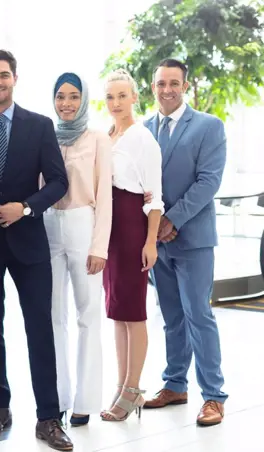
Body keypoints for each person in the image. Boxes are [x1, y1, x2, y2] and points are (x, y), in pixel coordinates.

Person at [0, 49, 72, 451]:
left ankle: (49, 417)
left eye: (3, 75)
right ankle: (0, 407)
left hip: (30, 243)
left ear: (15, 78)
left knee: (39, 328)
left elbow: (59, 182)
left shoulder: (39, 126)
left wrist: (24, 208)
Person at [142, 58, 228, 426]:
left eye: (174, 83)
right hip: (157, 243)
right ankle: (175, 384)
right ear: (153, 87)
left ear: (185, 86)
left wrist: (171, 219)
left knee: (198, 315)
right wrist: (154, 228)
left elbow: (208, 182)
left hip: (193, 239)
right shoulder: (144, 129)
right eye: (161, 83)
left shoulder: (209, 126)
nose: (167, 89)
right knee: (171, 317)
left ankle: (214, 396)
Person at [46, 72, 112, 427]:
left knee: (87, 317)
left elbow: (105, 197)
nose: (67, 103)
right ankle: (57, 397)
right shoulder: (46, 135)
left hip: (83, 227)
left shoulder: (98, 139)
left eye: (73, 96)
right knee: (54, 317)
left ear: (83, 99)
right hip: (48, 228)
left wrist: (99, 246)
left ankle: (85, 402)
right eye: (60, 96)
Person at [100, 69, 163, 422]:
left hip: (130, 224)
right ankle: (121, 385)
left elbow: (155, 197)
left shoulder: (143, 139)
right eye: (110, 96)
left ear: (135, 97)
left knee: (133, 312)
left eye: (122, 96)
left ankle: (133, 388)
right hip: (109, 226)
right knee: (117, 311)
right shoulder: (107, 135)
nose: (116, 103)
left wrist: (150, 241)